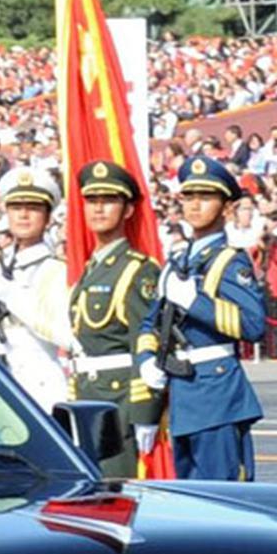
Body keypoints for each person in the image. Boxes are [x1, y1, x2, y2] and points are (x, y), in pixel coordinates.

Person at [136, 155, 266, 480]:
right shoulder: (176, 261)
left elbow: (252, 324)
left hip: (216, 392)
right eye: (189, 197)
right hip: (180, 393)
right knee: (194, 500)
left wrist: (195, 302)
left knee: (225, 498)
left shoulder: (229, 261)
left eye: (205, 197)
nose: (195, 205)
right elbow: (150, 323)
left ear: (226, 208)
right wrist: (146, 358)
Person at [68, 159, 164, 477]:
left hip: (119, 401)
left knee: (117, 496)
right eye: (92, 201)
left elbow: (147, 342)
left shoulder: (138, 270)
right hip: (88, 396)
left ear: (127, 210)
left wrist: (145, 411)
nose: (98, 209)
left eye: (108, 201)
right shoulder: (90, 268)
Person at [0, 166, 71, 411]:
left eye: (33, 208)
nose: (23, 215)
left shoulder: (55, 271)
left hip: (40, 386)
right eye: (16, 208)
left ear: (48, 217)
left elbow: (65, 334)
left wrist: (14, 298)